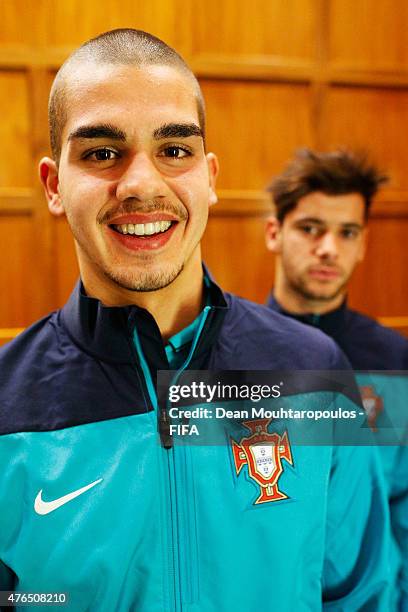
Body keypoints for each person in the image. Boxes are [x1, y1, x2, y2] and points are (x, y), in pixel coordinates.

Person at [0, 31, 390, 611]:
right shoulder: (7, 404)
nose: (141, 183)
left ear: (209, 178)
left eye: (174, 150)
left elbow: (362, 594)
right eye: (102, 152)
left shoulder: (313, 370)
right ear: (55, 185)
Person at [265, 148, 408, 610]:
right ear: (275, 232)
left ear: (363, 243)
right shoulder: (233, 356)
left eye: (346, 233)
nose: (329, 248)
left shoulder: (393, 357)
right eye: (310, 229)